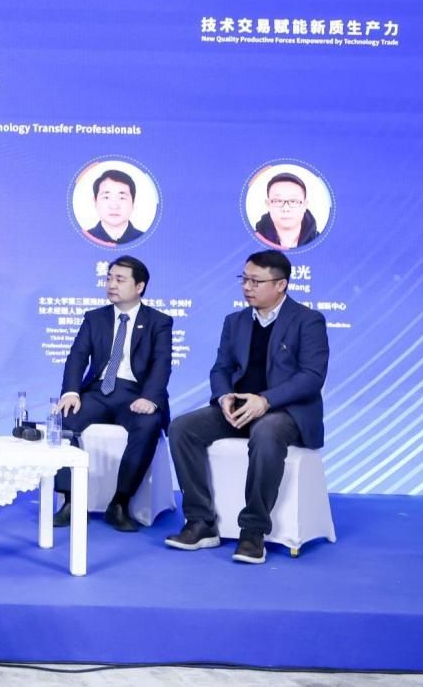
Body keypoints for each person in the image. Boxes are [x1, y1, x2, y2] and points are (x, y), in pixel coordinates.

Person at [165, 250, 329, 564]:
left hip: (285, 412)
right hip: (239, 408)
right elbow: (221, 368)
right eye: (244, 279)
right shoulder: (235, 321)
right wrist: (224, 396)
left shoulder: (308, 321)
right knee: (182, 428)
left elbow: (311, 377)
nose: (247, 287)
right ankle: (200, 522)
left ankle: (253, 530)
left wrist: (266, 400)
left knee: (266, 431)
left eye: (256, 281)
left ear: (280, 285)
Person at [52, 255, 173, 532]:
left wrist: (150, 398)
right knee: (64, 420)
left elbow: (162, 363)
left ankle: (120, 502)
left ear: (139, 286)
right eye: (109, 278)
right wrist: (70, 392)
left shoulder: (159, 321)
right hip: (98, 391)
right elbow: (77, 356)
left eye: (120, 279)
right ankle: (71, 500)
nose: (111, 284)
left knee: (149, 424)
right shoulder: (95, 318)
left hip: (135, 393)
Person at [254, 172, 319, 249]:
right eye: (278, 201)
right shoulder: (254, 242)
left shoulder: (320, 243)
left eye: (293, 201)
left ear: (305, 205)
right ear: (268, 204)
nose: (286, 209)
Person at [84, 169, 144, 246]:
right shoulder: (84, 239)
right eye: (106, 197)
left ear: (133, 203)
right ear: (95, 202)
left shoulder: (145, 239)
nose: (114, 206)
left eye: (122, 198)